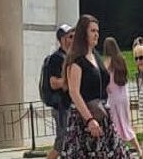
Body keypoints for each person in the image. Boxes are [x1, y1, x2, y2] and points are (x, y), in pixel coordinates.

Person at [61, 14, 128, 158]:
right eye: (92, 31)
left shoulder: (96, 56)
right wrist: (89, 120)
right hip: (85, 118)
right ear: (83, 33)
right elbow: (74, 92)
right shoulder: (76, 60)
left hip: (103, 114)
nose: (96, 34)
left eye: (97, 31)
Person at [103, 36, 142, 156]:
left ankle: (118, 149)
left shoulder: (107, 62)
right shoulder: (122, 59)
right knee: (125, 123)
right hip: (123, 95)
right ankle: (139, 150)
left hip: (112, 97)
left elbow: (104, 80)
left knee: (114, 124)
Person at [47, 23, 75, 159]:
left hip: (70, 104)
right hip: (61, 106)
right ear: (63, 39)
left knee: (69, 142)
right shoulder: (56, 58)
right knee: (61, 143)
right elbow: (53, 83)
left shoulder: (71, 57)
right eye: (71, 36)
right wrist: (69, 81)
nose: (74, 39)